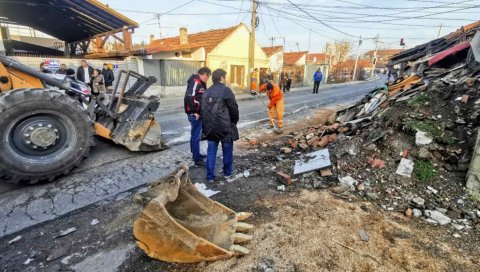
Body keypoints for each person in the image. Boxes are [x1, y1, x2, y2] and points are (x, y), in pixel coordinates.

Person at [202, 68, 239, 183]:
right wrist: (233, 122)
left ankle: (210, 177)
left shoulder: (206, 91)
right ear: (222, 78)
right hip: (224, 127)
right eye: (225, 77)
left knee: (211, 152)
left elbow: (203, 110)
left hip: (210, 128)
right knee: (227, 151)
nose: (226, 79)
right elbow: (234, 109)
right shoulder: (226, 90)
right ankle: (227, 173)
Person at [184, 67, 211, 166]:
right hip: (195, 114)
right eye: (207, 77)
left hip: (198, 113)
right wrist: (193, 111)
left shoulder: (200, 82)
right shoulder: (195, 82)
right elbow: (189, 97)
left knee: (195, 134)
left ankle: (195, 153)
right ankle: (196, 158)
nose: (207, 79)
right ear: (204, 75)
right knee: (196, 136)